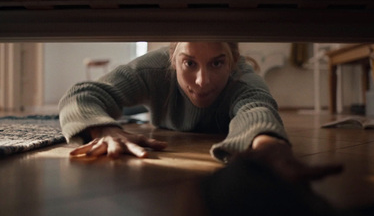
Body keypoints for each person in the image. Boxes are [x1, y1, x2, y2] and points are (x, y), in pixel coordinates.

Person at [59, 42, 342, 183]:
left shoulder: (244, 80)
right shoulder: (153, 69)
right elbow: (83, 95)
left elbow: (256, 108)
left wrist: (269, 146)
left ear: (232, 63)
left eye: (217, 64)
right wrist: (106, 129)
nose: (202, 81)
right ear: (173, 59)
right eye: (189, 64)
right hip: (148, 102)